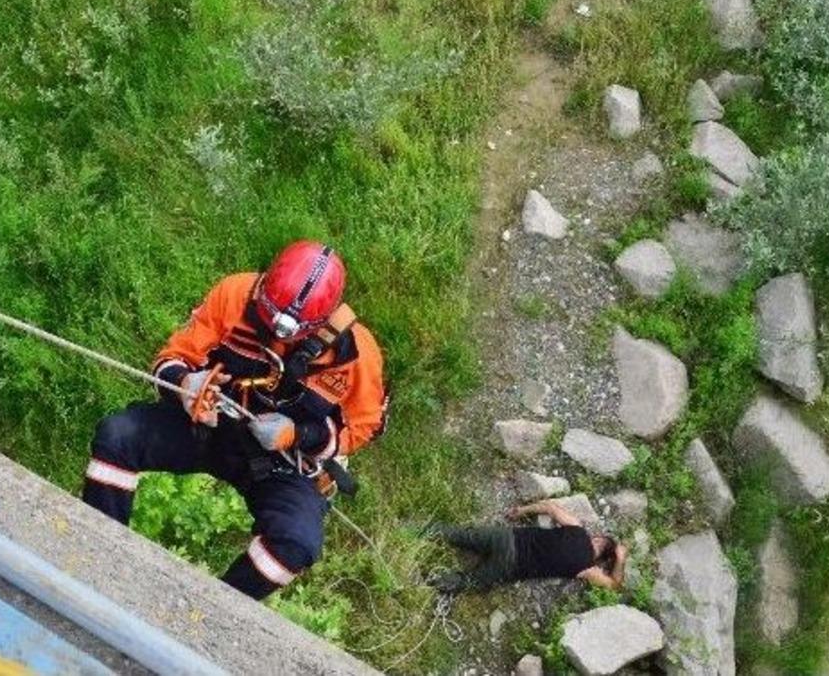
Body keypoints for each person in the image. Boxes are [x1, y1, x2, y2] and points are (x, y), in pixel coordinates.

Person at [82, 241, 387, 599]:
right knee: (119, 437)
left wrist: (298, 434)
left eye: (286, 330)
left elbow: (365, 426)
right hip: (210, 428)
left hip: (281, 464)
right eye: (267, 314)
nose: (273, 332)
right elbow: (172, 357)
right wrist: (185, 385)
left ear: (321, 323)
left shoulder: (356, 355)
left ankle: (215, 609)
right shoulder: (235, 295)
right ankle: (96, 559)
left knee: (295, 543)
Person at [424, 499, 628, 593]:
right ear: (601, 560)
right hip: (511, 566)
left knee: (460, 535)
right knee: (469, 582)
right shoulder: (588, 569)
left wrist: (521, 510)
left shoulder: (578, 530)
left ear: (597, 539)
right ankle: (426, 581)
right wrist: (621, 559)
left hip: (507, 538)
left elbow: (550, 507)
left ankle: (411, 530)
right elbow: (614, 585)